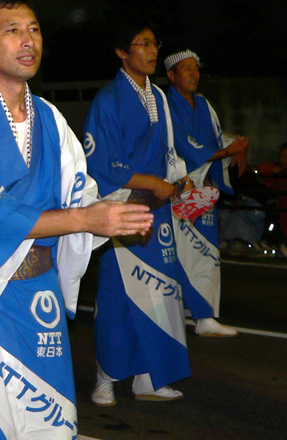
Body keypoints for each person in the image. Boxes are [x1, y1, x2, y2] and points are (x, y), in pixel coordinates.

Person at [0, 0, 152, 439]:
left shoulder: (49, 117)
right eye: (12, 30)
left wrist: (112, 211)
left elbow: (82, 194)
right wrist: (85, 220)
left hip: (39, 294)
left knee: (52, 428)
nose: (28, 41)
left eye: (35, 29)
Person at [84, 20, 191, 406]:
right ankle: (106, 375)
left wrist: (179, 179)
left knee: (160, 293)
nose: (151, 50)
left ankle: (150, 375)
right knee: (117, 295)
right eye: (142, 44)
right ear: (121, 52)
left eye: (153, 43)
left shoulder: (159, 97)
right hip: (123, 209)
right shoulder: (108, 100)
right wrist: (152, 183)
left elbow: (168, 151)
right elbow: (102, 165)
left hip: (157, 210)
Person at [165, 49, 245, 337]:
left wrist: (232, 148)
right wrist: (225, 151)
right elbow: (183, 147)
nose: (193, 74)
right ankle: (182, 311)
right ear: (171, 75)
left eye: (195, 69)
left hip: (203, 190)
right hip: (179, 187)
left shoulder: (204, 105)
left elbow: (213, 139)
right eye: (185, 69)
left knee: (207, 253)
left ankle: (205, 315)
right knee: (179, 252)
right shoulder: (166, 105)